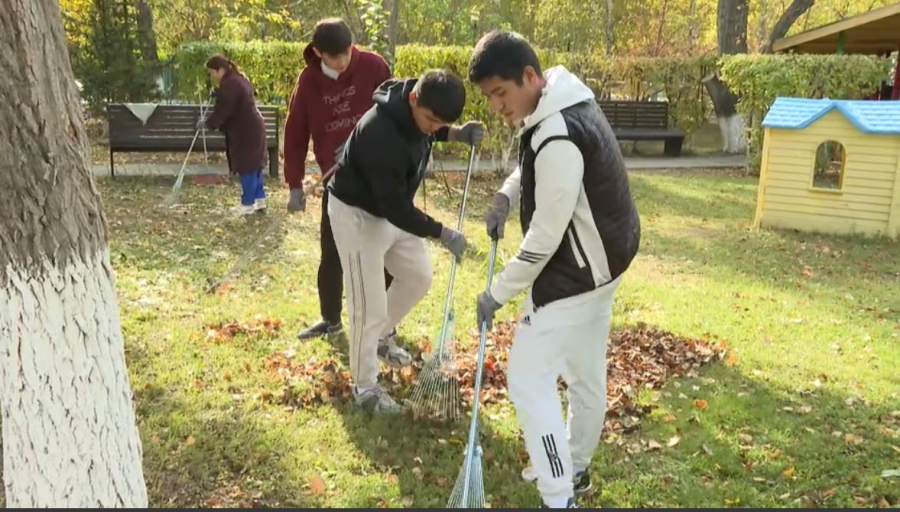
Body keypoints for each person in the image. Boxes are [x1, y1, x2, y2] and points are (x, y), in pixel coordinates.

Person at [469, 30, 640, 508]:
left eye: (501, 94)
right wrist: (507, 193)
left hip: (576, 275)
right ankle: (577, 468)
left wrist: (497, 293)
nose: (498, 106)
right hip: (606, 264)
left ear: (528, 76)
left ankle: (558, 494)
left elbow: (544, 238)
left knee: (527, 376)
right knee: (585, 373)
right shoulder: (560, 97)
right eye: (490, 98)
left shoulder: (557, 130)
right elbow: (537, 163)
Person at [327, 70, 484, 414]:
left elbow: (430, 127)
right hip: (358, 214)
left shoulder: (420, 103)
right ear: (414, 100)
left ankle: (380, 340)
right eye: (431, 120)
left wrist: (457, 133)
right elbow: (396, 208)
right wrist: (442, 232)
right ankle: (365, 389)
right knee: (368, 307)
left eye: (440, 122)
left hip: (390, 210)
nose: (432, 127)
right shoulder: (379, 133)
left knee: (417, 277)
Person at [283, 18, 394, 340]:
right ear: (318, 53)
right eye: (335, 57)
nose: (344, 61)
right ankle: (330, 320)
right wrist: (294, 184)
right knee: (331, 253)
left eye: (347, 53)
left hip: (377, 178)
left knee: (383, 253)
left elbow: (397, 109)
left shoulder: (373, 66)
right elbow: (295, 133)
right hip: (338, 183)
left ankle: (386, 325)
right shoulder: (308, 82)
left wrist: (365, 136)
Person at [201, 55, 269, 215]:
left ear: (220, 70)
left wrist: (208, 123)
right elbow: (236, 99)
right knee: (255, 165)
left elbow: (224, 110)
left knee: (247, 166)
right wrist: (218, 94)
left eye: (212, 72)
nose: (212, 76)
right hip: (253, 126)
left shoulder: (230, 84)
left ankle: (247, 203)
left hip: (245, 129)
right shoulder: (237, 79)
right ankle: (259, 200)